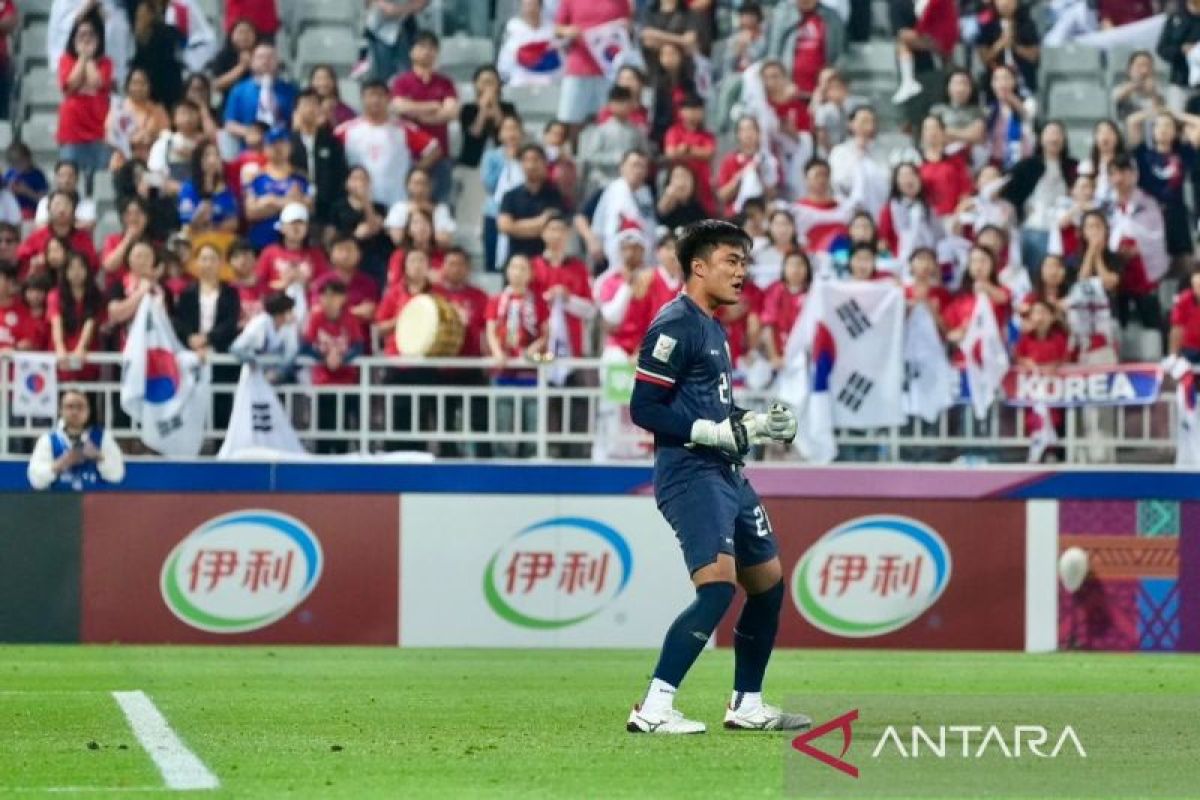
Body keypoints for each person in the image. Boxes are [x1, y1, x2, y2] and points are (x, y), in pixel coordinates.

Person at [625, 219, 807, 734]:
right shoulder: (674, 324)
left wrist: (753, 422)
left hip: (727, 472)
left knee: (767, 586)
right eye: (732, 261)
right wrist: (708, 429)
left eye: (744, 263)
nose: (741, 272)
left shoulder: (711, 325)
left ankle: (746, 705)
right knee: (717, 587)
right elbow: (643, 407)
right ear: (698, 267)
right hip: (689, 473)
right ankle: (653, 708)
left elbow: (712, 408)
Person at [336, 80, 440, 210]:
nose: (375, 100)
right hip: (359, 204)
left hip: (397, 201)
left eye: (380, 95)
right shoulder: (346, 130)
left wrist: (414, 172)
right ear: (362, 98)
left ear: (388, 98)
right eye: (370, 95)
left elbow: (434, 149)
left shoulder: (402, 129)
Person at [486, 253, 549, 458]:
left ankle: (531, 460)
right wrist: (496, 352)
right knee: (503, 422)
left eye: (523, 268)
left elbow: (546, 333)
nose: (518, 272)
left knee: (532, 423)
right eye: (514, 267)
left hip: (530, 371)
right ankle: (502, 461)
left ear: (530, 274)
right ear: (507, 271)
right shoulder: (497, 301)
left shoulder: (538, 302)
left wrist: (534, 348)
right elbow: (490, 330)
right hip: (504, 371)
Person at [390, 30, 459, 203]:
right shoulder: (401, 82)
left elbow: (450, 112)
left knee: (441, 207)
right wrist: (433, 106)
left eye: (431, 47)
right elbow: (399, 107)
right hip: (409, 155)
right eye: (422, 46)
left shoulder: (445, 83)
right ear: (411, 51)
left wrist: (417, 114)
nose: (427, 51)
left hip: (440, 157)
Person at [301, 278, 365, 454]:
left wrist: (342, 359)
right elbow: (305, 346)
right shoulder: (316, 318)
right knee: (323, 427)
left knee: (343, 428)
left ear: (343, 298)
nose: (329, 300)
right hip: (323, 383)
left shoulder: (350, 318)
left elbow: (359, 346)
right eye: (325, 295)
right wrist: (325, 358)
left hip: (346, 382)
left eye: (334, 296)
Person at [553, 0, 633, 130]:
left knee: (608, 119)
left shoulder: (622, 2)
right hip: (579, 66)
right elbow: (557, 28)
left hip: (609, 70)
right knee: (571, 119)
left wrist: (626, 27)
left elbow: (628, 26)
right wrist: (569, 31)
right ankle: (574, 150)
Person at [58, 11, 114, 185]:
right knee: (71, 180)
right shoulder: (66, 60)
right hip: (72, 130)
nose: (86, 39)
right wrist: (82, 57)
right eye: (81, 35)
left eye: (90, 35)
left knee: (99, 181)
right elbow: (71, 84)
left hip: (99, 129)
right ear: (73, 39)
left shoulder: (105, 63)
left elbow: (96, 83)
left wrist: (88, 58)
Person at [27, 390, 124, 491]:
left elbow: (117, 476)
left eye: (80, 407)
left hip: (95, 503)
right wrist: (62, 463)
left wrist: (99, 456)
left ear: (88, 411)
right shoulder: (48, 439)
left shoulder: (103, 437)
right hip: (58, 502)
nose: (75, 412)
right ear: (61, 410)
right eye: (70, 406)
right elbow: (35, 480)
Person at [289, 88, 348, 232]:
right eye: (306, 104)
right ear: (296, 110)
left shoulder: (332, 142)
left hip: (327, 209)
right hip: (297, 206)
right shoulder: (289, 142)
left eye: (314, 104)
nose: (310, 108)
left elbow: (340, 176)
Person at [244, 129, 313, 251]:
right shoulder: (255, 178)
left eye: (282, 144)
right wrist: (290, 202)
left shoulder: (301, 178)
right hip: (262, 241)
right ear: (265, 148)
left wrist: (270, 201)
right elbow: (251, 212)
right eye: (273, 144)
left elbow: (308, 208)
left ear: (290, 147)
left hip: (295, 244)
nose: (278, 148)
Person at [498, 144, 569, 263]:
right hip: (516, 262)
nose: (530, 165)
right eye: (526, 160)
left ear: (544, 163)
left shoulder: (554, 195)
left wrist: (517, 226)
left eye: (535, 160)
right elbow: (505, 226)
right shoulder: (510, 196)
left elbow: (555, 228)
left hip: (546, 263)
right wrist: (541, 222)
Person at [223, 43, 298, 147]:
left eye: (270, 57)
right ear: (252, 62)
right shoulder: (239, 90)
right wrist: (251, 133)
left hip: (283, 148)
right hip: (250, 150)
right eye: (260, 57)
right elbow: (230, 124)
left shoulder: (290, 90)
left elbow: (296, 121)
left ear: (278, 62)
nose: (265, 61)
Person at [49, 249, 104, 381]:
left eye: (80, 267)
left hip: (87, 358)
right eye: (72, 268)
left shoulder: (96, 295)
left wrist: (81, 348)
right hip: (61, 359)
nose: (76, 272)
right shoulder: (55, 295)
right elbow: (56, 322)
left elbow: (90, 323)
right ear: (65, 272)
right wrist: (60, 349)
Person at [663, 94, 717, 215]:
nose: (693, 113)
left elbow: (708, 153)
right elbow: (670, 154)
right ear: (681, 111)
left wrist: (686, 149)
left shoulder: (707, 135)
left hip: (703, 187)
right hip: (680, 185)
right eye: (689, 109)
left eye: (698, 109)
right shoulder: (674, 131)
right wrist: (695, 152)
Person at [458, 66, 516, 169]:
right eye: (484, 82)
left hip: (504, 161)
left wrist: (494, 105)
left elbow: (505, 131)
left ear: (498, 85)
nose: (488, 86)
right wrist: (483, 110)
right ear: (476, 84)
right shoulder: (467, 109)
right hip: (472, 161)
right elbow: (474, 133)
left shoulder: (508, 107)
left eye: (491, 82)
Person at [4, 143, 48, 221]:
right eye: (14, 163)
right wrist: (9, 189)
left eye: (20, 161)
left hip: (32, 212)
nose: (18, 165)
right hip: (12, 212)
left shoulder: (38, 175)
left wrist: (27, 191)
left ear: (28, 158)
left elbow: (43, 200)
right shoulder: (10, 173)